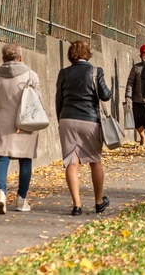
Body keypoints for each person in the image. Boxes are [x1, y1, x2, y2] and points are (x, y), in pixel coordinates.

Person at [55, 40, 112, 216]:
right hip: (90, 121)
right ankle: (98, 201)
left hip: (67, 119)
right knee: (95, 161)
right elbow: (106, 95)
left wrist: (61, 120)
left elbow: (59, 99)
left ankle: (77, 205)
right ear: (87, 54)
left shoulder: (64, 73)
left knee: (71, 162)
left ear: (71, 56)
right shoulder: (95, 71)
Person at [0, 43, 42, 214]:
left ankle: (1, 194)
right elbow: (37, 101)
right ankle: (21, 199)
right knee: (25, 160)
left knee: (2, 158)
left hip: (2, 120)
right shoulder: (31, 75)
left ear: (3, 58)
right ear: (20, 58)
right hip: (25, 122)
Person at [124, 44, 145, 148]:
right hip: (137, 99)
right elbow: (130, 82)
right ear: (141, 55)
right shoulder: (136, 67)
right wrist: (128, 95)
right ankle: (142, 136)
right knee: (137, 121)